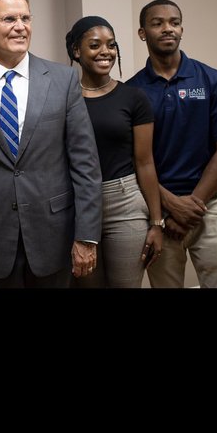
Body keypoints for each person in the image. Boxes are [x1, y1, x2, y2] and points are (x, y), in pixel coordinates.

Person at [0, 0, 102, 288]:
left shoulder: (63, 80)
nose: (21, 27)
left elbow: (86, 164)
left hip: (53, 235)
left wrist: (86, 236)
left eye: (26, 18)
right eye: (9, 19)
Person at [126, 0, 217, 288]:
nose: (168, 28)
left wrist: (191, 209)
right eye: (157, 23)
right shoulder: (132, 92)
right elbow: (134, 160)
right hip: (159, 213)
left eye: (175, 22)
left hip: (209, 207)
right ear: (142, 33)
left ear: (182, 29)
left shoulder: (212, 80)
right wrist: (171, 206)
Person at [65, 15, 164, 288]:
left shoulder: (133, 98)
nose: (105, 51)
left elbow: (145, 162)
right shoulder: (64, 99)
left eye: (111, 45)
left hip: (125, 203)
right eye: (95, 45)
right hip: (80, 206)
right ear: (76, 51)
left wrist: (157, 223)